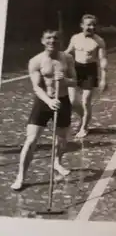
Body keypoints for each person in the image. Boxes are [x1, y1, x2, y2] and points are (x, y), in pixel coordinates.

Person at [11, 30, 77, 191]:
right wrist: (49, 101)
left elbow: (75, 81)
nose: (52, 41)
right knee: (31, 140)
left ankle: (57, 162)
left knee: (61, 140)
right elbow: (36, 87)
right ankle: (21, 176)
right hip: (43, 102)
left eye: (55, 38)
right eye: (48, 38)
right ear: (42, 41)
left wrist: (64, 80)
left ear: (60, 41)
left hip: (62, 102)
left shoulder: (67, 58)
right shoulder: (36, 61)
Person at [65, 14, 108, 138]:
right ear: (82, 25)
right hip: (76, 69)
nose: (91, 27)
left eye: (93, 25)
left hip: (90, 71)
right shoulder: (75, 38)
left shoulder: (99, 41)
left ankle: (84, 127)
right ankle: (84, 117)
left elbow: (103, 61)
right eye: (88, 24)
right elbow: (68, 52)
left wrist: (104, 79)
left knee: (85, 102)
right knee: (72, 101)